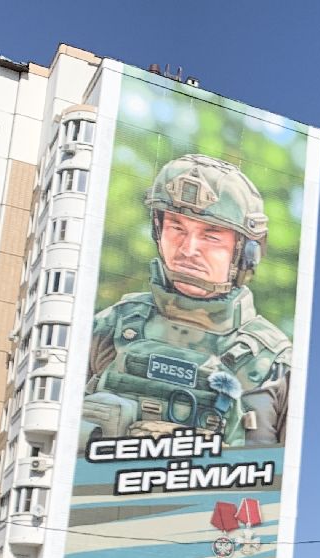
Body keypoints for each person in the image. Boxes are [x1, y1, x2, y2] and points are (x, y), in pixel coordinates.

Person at [82, 153, 292, 450]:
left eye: (211, 236)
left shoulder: (275, 363)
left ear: (246, 253)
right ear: (158, 231)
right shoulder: (110, 326)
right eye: (177, 228)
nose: (188, 248)